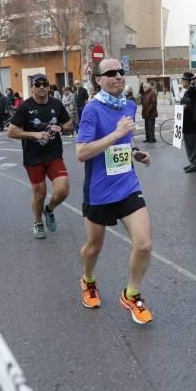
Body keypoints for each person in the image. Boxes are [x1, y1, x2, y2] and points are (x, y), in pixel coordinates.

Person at [76, 58, 153, 325]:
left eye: (121, 71)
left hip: (127, 185)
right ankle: (88, 280)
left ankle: (131, 294)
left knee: (144, 244)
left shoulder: (129, 106)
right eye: (111, 73)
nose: (118, 76)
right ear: (99, 79)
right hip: (99, 190)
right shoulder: (91, 110)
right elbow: (82, 152)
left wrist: (135, 152)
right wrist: (116, 133)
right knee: (94, 248)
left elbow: (124, 142)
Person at [8, 74, 73, 238]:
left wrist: (60, 127)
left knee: (63, 190)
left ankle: (49, 209)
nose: (42, 87)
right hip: (33, 157)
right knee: (40, 193)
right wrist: (34, 135)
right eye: (38, 84)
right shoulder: (25, 107)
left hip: (54, 155)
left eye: (45, 84)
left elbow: (69, 124)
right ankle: (38, 222)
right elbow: (12, 131)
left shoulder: (56, 104)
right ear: (32, 88)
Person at [179, 72, 196, 173]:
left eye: (184, 80)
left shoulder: (193, 91)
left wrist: (187, 107)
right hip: (185, 122)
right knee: (188, 143)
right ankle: (192, 162)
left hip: (192, 122)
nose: (182, 82)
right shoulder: (185, 92)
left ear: (189, 81)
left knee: (194, 144)